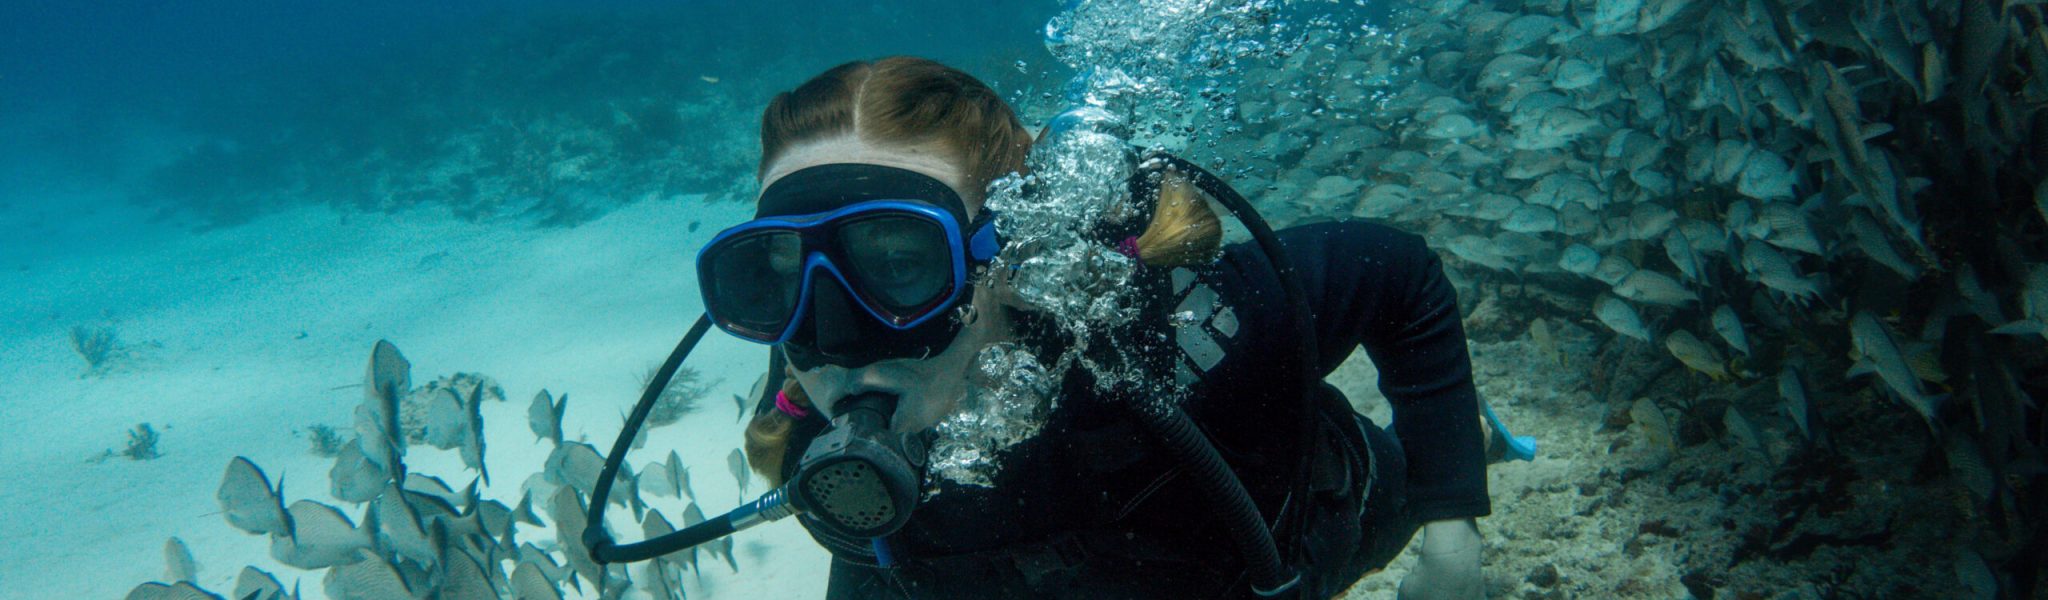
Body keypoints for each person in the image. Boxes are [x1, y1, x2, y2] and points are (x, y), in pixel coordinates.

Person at [711, 56, 1492, 599]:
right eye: (773, 273)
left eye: (902, 262)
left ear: (1005, 253)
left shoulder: (1158, 333)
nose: (835, 340)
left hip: (1339, 518)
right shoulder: (832, 467)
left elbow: (1396, 272)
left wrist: (1450, 527)